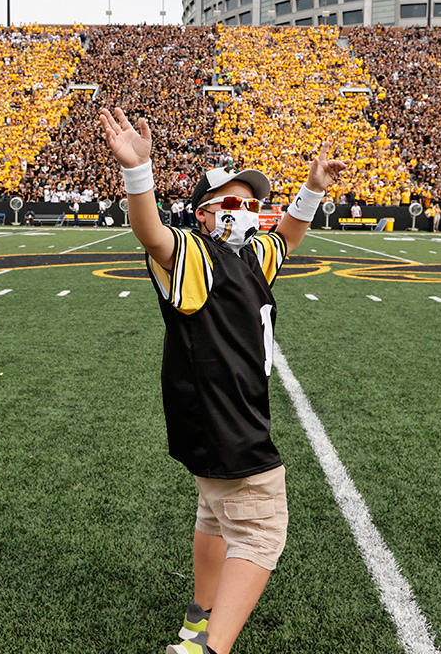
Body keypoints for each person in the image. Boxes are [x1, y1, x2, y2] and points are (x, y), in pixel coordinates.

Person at [99, 107, 346, 654]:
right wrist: (139, 175)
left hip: (211, 418)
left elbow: (288, 236)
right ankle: (207, 650)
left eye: (252, 204)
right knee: (260, 533)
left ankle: (197, 621)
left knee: (214, 515)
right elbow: (152, 235)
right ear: (204, 217)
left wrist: (309, 190)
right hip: (226, 419)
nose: (247, 213)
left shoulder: (251, 256)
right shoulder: (196, 253)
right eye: (231, 204)